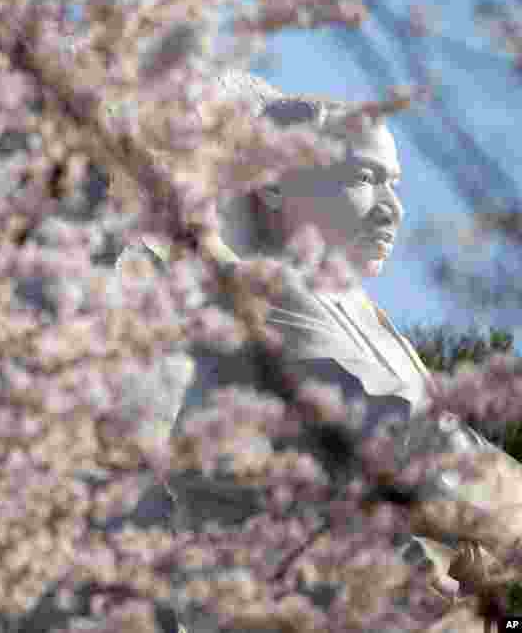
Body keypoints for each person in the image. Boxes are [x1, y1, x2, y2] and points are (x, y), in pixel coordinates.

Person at [117, 71, 522, 628]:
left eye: (395, 185)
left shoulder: (372, 323)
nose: (392, 209)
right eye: (365, 178)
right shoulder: (262, 292)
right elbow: (392, 429)